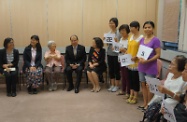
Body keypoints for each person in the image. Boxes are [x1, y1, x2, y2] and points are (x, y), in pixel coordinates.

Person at [138, 21, 161, 110]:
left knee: (150, 86)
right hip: (141, 65)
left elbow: (158, 54)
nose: (147, 29)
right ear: (143, 29)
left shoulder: (156, 40)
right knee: (143, 84)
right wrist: (139, 58)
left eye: (149, 27)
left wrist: (147, 61)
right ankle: (144, 103)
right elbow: (140, 52)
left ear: (153, 29)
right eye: (145, 27)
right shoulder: (141, 39)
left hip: (151, 66)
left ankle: (149, 105)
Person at [126, 21, 143, 104]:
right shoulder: (130, 37)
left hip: (136, 62)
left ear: (137, 28)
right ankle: (131, 94)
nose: (131, 29)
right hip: (129, 62)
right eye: (130, 27)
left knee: (135, 80)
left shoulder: (141, 38)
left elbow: (142, 51)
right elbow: (128, 48)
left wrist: (136, 57)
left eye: (132, 27)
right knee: (130, 79)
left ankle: (135, 96)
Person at [106, 17, 121, 92]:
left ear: (116, 24)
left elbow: (121, 43)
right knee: (111, 70)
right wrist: (105, 40)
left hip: (117, 54)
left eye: (112, 23)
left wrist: (116, 41)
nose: (111, 24)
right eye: (110, 23)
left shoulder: (119, 32)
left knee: (116, 70)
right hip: (109, 53)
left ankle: (117, 85)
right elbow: (108, 44)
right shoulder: (109, 33)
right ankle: (112, 85)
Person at [116, 24, 130, 97]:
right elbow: (119, 49)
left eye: (123, 30)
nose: (122, 32)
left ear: (127, 31)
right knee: (123, 75)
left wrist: (123, 50)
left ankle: (128, 92)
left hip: (127, 59)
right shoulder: (121, 39)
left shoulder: (129, 39)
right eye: (121, 30)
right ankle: (123, 90)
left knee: (127, 76)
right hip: (121, 58)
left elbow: (130, 51)